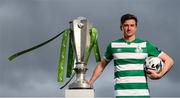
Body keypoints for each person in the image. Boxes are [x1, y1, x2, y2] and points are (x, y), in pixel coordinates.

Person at [88, 14, 174, 98]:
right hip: (122, 94)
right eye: (126, 25)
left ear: (136, 27)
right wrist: (90, 82)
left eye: (132, 25)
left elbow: (169, 60)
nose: (129, 28)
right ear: (121, 27)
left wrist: (159, 75)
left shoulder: (145, 45)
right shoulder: (113, 46)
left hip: (142, 94)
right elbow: (101, 66)